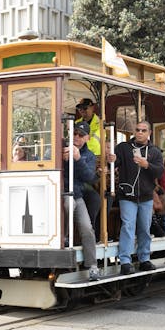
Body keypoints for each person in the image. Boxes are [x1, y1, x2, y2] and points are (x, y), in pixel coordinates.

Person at [112, 121, 164, 274]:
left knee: (144, 228)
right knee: (128, 226)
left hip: (146, 197)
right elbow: (116, 162)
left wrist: (147, 165)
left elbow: (160, 172)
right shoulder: (123, 147)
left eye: (143, 130)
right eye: (137, 130)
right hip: (127, 195)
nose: (140, 132)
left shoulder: (154, 151)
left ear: (149, 133)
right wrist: (111, 160)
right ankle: (126, 261)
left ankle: (144, 259)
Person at [63, 120, 99, 281]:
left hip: (77, 194)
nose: (76, 137)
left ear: (87, 138)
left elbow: (90, 177)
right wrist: (61, 158)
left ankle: (92, 265)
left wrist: (78, 159)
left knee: (87, 227)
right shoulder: (60, 147)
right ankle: (64, 238)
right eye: (75, 133)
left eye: (81, 135)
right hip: (61, 193)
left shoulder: (89, 155)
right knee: (67, 204)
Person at [75, 99, 102, 228]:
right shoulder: (76, 123)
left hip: (95, 159)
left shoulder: (100, 123)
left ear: (92, 108)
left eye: (85, 109)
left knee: (95, 198)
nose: (83, 112)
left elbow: (94, 144)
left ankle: (92, 229)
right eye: (80, 109)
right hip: (81, 161)